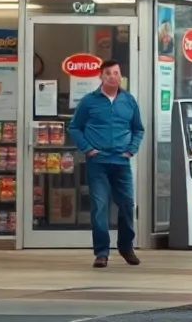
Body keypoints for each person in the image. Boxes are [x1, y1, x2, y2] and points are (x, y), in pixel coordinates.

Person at [69, 60, 145, 269]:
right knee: (100, 207)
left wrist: (131, 149)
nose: (113, 76)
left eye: (117, 73)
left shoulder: (129, 101)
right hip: (98, 162)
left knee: (127, 205)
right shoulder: (89, 101)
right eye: (109, 73)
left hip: (121, 161)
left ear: (121, 76)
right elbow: (74, 127)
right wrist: (88, 148)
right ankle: (101, 252)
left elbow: (138, 129)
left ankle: (126, 246)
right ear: (101, 77)